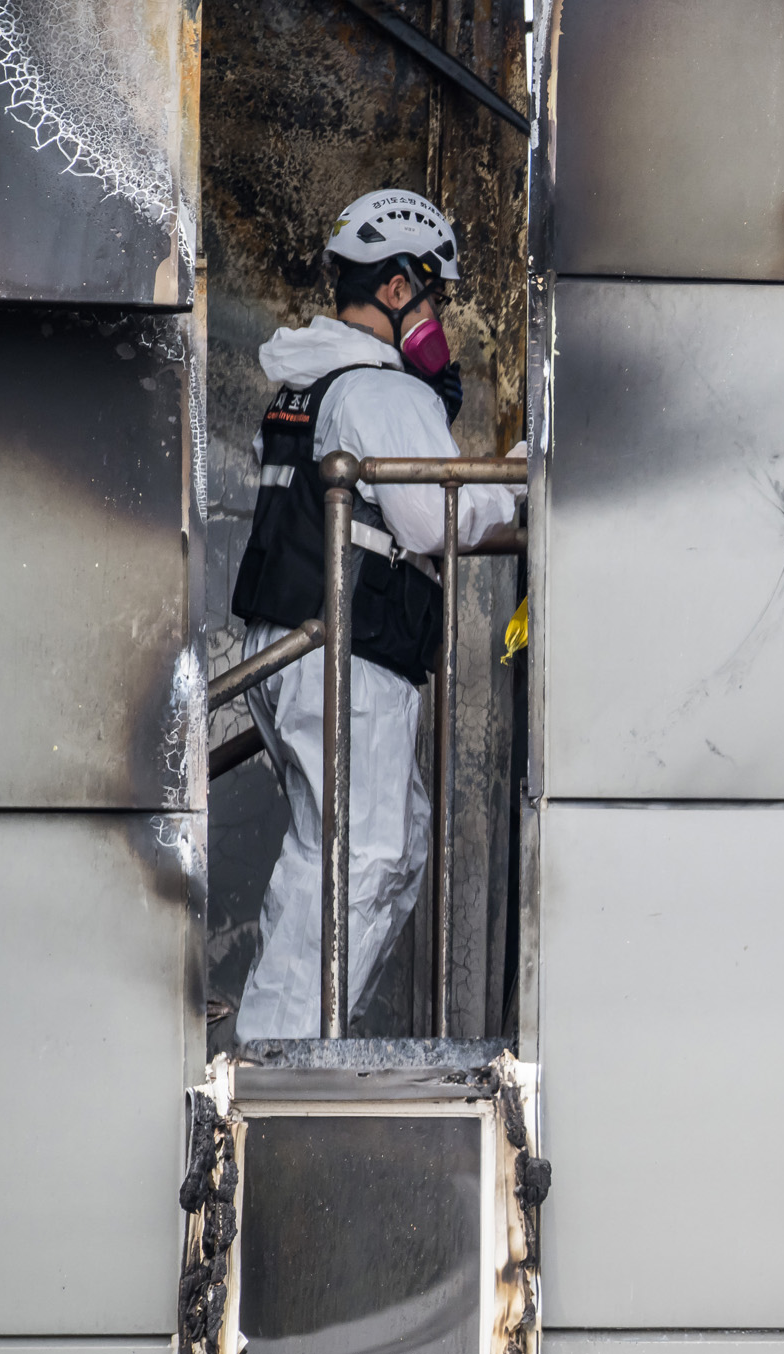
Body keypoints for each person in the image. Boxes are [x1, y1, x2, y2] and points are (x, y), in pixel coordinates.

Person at [231, 188, 525, 1039]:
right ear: (397, 289)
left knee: (392, 848)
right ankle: (277, 1053)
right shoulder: (379, 386)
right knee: (357, 855)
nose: (440, 321)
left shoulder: (310, 380)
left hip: (295, 647)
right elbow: (433, 518)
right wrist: (515, 477)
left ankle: (306, 1033)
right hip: (345, 656)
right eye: (434, 298)